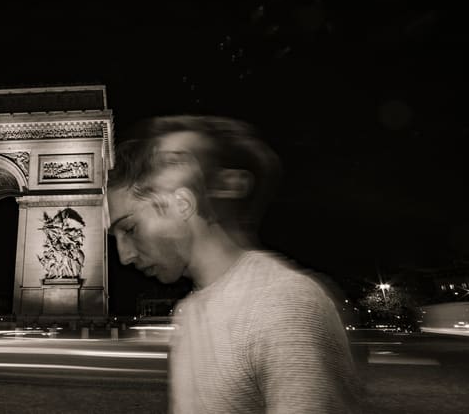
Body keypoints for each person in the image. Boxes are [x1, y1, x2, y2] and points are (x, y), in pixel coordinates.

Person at [106, 115, 362, 413]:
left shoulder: (287, 306)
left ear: (182, 205)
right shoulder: (188, 312)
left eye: (130, 228)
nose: (124, 256)